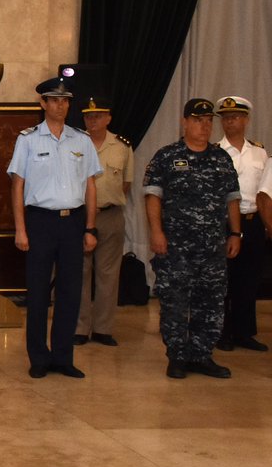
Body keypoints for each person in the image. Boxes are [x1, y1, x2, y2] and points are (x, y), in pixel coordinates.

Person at [7, 77, 101, 380]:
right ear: (43, 104)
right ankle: (38, 357)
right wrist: (20, 229)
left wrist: (90, 227)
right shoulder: (29, 139)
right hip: (40, 221)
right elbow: (17, 186)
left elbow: (90, 185)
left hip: (73, 221)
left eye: (65, 101)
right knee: (37, 294)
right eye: (54, 100)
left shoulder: (81, 140)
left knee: (70, 292)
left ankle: (63, 357)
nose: (60, 106)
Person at [144, 98, 241, 379]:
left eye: (209, 120)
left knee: (210, 302)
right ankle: (177, 357)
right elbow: (153, 197)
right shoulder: (166, 156)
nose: (204, 126)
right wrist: (156, 232)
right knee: (174, 302)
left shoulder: (221, 158)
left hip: (212, 248)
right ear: (184, 122)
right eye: (198, 120)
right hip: (175, 247)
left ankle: (201, 355)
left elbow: (232, 200)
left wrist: (235, 233)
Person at [74, 97, 134, 347]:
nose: (93, 120)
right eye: (89, 116)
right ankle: (79, 327)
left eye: (98, 115)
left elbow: (127, 183)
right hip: (79, 214)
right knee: (79, 273)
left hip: (110, 215)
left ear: (108, 118)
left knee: (108, 274)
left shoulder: (122, 146)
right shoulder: (75, 143)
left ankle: (103, 328)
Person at [214, 96, 268, 352]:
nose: (229, 122)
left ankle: (244, 332)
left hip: (252, 221)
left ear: (246, 120)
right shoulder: (215, 152)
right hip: (224, 223)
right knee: (224, 279)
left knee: (249, 279)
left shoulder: (259, 151)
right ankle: (222, 332)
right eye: (225, 118)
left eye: (234, 117)